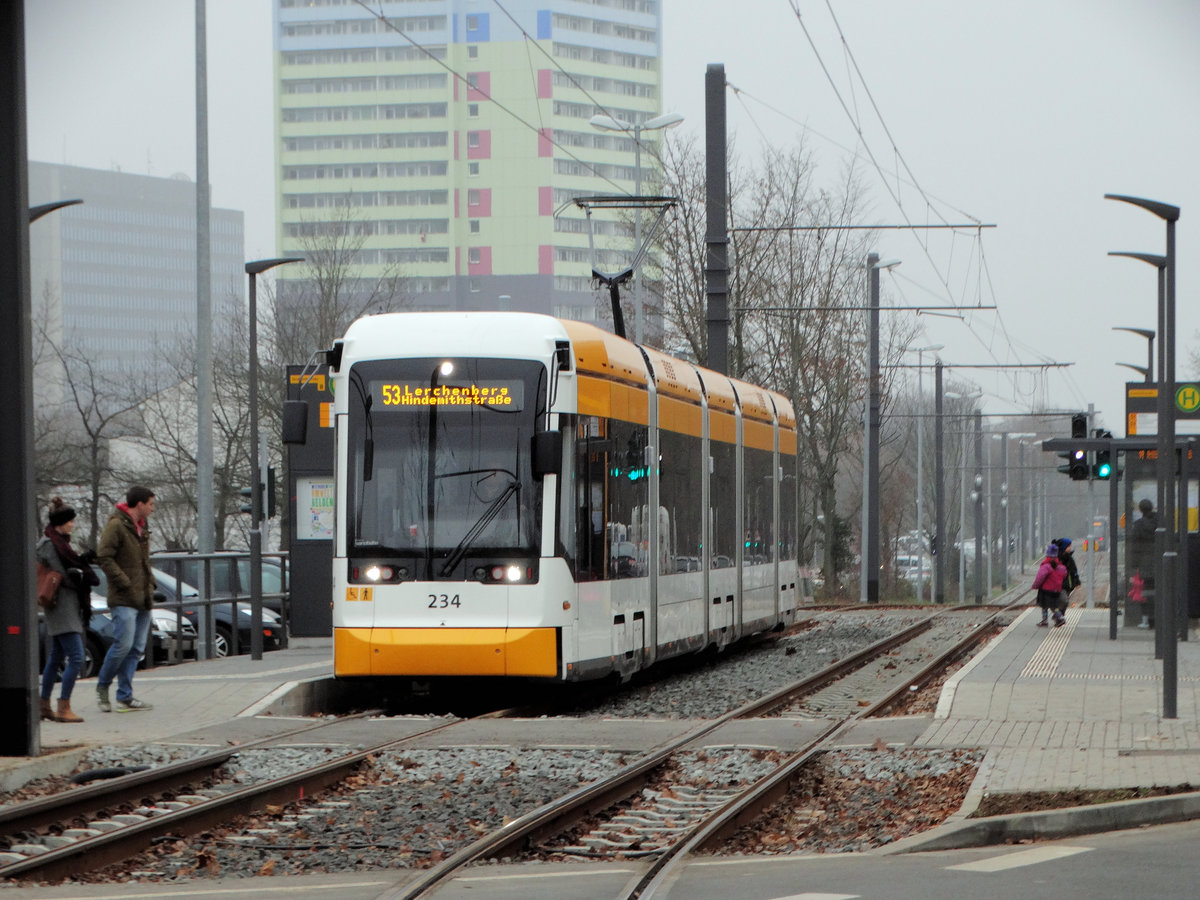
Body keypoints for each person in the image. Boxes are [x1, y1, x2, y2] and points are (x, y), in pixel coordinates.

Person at [35, 497, 98, 723]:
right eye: (70, 521)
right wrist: (81, 576)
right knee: (77, 656)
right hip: (61, 606)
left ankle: (44, 705)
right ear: (61, 522)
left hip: (63, 605)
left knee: (55, 657)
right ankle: (64, 707)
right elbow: (64, 574)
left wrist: (82, 562)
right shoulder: (51, 545)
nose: (73, 524)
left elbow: (69, 567)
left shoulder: (57, 542)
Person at [95, 486, 157, 713]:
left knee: (136, 648)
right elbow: (104, 556)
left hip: (143, 596)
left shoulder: (142, 527)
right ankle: (102, 687)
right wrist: (124, 582)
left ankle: (125, 695)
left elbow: (143, 560)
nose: (152, 508)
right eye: (150, 504)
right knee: (123, 645)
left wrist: (150, 584)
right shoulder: (116, 526)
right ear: (139, 504)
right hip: (123, 597)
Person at [1032, 542, 1068, 627]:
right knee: (1053, 604)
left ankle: (1058, 618)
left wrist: (1035, 585)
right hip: (1056, 590)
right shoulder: (1061, 567)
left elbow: (1040, 577)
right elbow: (1064, 574)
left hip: (1046, 590)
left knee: (1046, 605)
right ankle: (1052, 619)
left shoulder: (1046, 566)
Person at [1053, 537, 1081, 620]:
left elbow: (1074, 571)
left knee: (1065, 601)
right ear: (1064, 547)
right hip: (1060, 584)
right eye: (1069, 546)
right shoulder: (1057, 559)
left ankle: (1059, 616)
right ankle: (1059, 616)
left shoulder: (1070, 558)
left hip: (1069, 584)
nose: (1070, 548)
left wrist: (1077, 582)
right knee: (1063, 600)